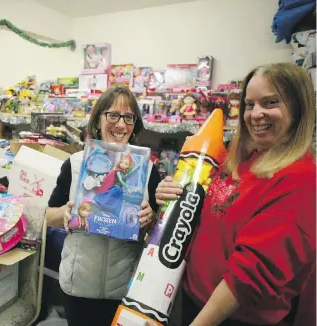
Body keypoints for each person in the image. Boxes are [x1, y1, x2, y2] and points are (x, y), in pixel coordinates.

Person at [154, 63, 316, 326]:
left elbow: (249, 274)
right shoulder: (242, 158)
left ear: (298, 108)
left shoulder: (300, 178)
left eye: (270, 102)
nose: (256, 114)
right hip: (192, 301)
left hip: (229, 318)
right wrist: (173, 195)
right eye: (250, 104)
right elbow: (205, 215)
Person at [45, 85, 161, 326]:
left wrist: (151, 219)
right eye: (113, 115)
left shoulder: (147, 171)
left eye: (128, 117)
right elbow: (49, 214)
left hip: (125, 289)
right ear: (98, 120)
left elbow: (156, 234)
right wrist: (64, 213)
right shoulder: (76, 164)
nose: (120, 125)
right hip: (78, 286)